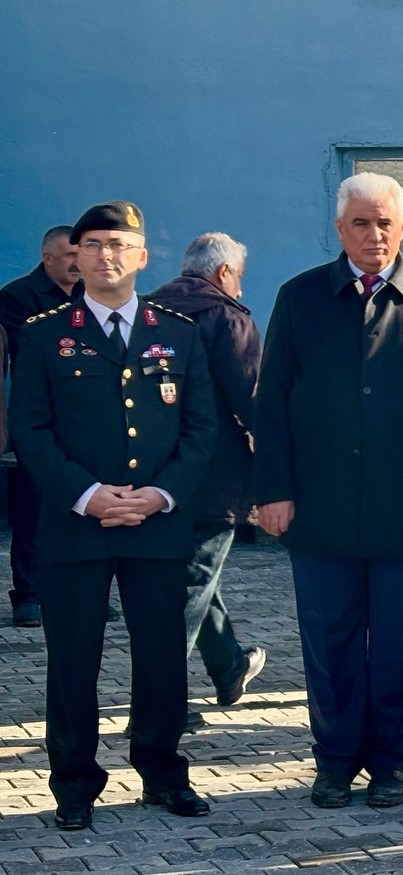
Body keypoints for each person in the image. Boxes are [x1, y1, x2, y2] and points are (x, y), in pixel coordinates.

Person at [253, 172, 403, 810]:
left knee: (400, 645)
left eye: (385, 223)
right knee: (329, 641)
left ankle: (391, 763)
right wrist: (274, 489)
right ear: (339, 229)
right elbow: (272, 401)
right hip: (320, 507)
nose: (374, 235)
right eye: (360, 223)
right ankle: (335, 761)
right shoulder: (300, 297)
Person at [10, 201, 218, 829]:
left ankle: (163, 772)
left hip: (158, 522)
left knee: (162, 656)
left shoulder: (178, 332)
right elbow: (30, 430)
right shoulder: (43, 333)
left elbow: (201, 428)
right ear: (76, 257)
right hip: (76, 523)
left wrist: (161, 495)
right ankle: (74, 784)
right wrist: (86, 494)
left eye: (120, 244)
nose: (107, 255)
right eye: (94, 244)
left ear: (142, 257)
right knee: (74, 659)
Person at [146, 232, 267, 733]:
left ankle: (229, 665)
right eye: (239, 277)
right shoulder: (227, 317)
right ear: (223, 273)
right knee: (192, 581)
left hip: (150, 474)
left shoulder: (145, 312)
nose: (241, 288)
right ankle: (158, 704)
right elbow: (252, 396)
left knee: (188, 577)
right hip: (214, 476)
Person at [0, 225, 82, 627]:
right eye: (69, 256)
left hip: (84, 418)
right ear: (48, 258)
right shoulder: (17, 297)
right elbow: (33, 353)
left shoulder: (89, 295)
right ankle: (29, 595)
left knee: (82, 506)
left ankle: (81, 592)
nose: (77, 263)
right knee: (32, 509)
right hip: (37, 419)